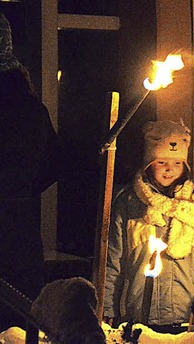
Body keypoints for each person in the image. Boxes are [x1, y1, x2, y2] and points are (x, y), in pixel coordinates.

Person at [103, 120, 194, 331]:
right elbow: (112, 261)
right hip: (139, 314)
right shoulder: (129, 204)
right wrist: (106, 307)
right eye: (162, 162)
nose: (169, 169)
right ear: (148, 164)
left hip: (186, 312)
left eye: (177, 163)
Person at [0, 12, 59, 330]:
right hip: (20, 230)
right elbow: (52, 164)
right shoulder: (32, 110)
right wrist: (22, 191)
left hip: (15, 224)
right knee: (19, 324)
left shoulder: (30, 112)